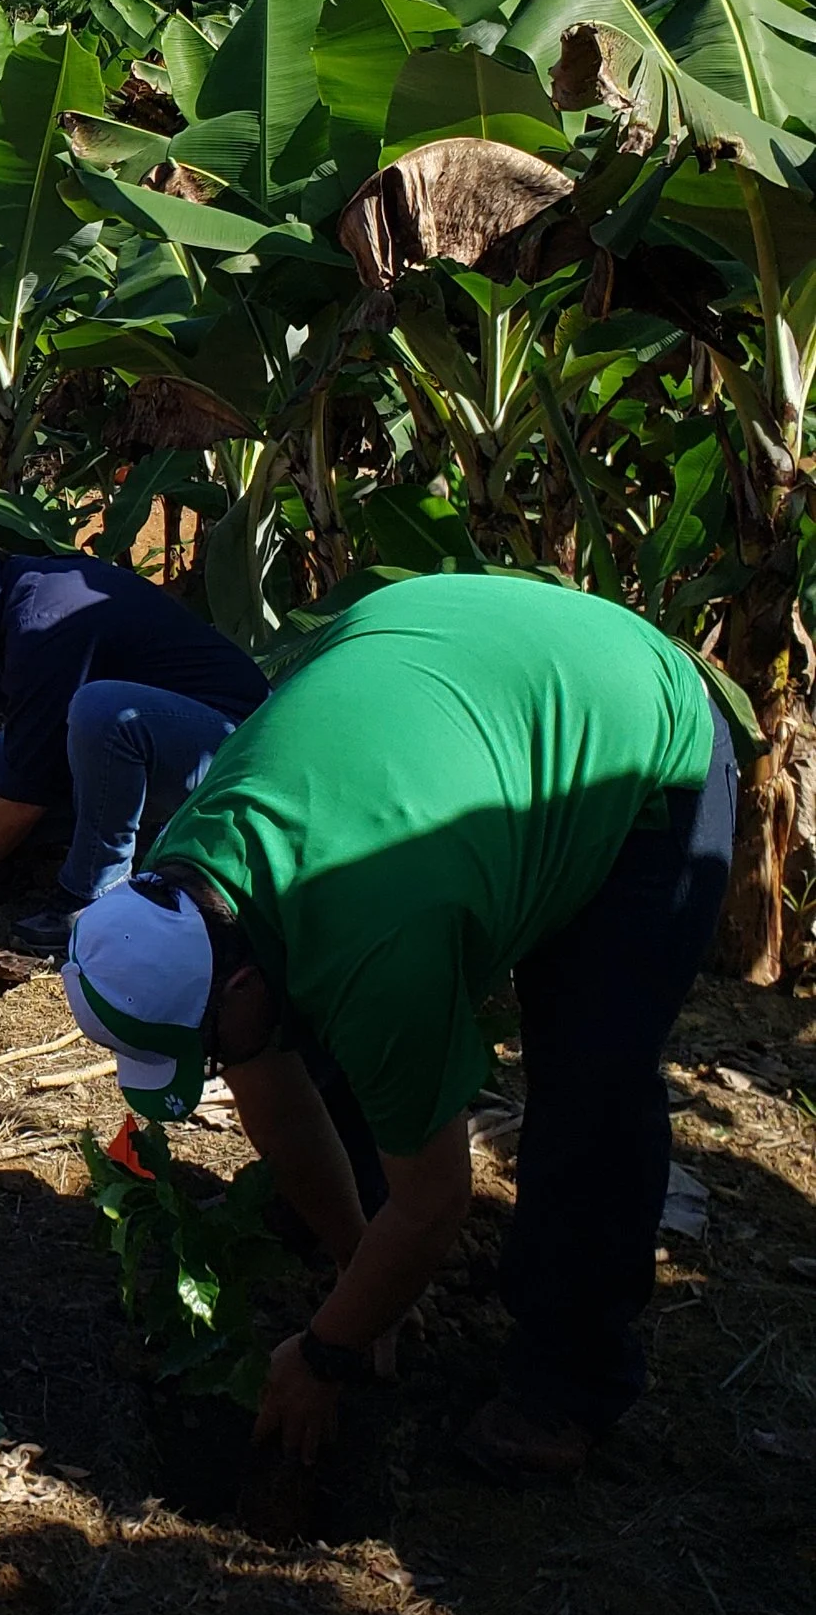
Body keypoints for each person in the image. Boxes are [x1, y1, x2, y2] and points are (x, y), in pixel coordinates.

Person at [59, 577, 736, 1485]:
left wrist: (326, 1353)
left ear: (240, 977)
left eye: (208, 1046)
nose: (217, 1065)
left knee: (591, 1084)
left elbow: (436, 1203)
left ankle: (567, 1382)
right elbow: (265, 1067)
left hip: (636, 732)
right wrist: (356, 1265)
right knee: (318, 1036)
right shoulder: (193, 864)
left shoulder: (383, 943)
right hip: (454, 671)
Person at [0, 518, 267, 945]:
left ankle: (94, 893)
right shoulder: (15, 597)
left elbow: (29, 790)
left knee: (103, 712)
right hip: (161, 735)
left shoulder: (43, 621)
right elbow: (30, 748)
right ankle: (82, 845)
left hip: (230, 745)